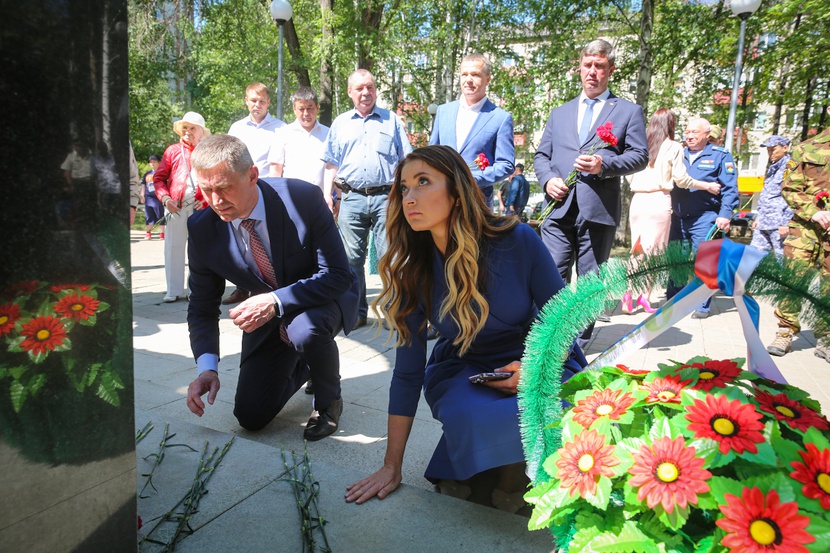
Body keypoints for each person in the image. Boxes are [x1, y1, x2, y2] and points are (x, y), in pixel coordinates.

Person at [345, 145, 585, 513]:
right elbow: (408, 373)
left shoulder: (519, 240)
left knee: (552, 406)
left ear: (456, 192)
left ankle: (510, 479)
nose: (409, 197)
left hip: (540, 356)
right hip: (464, 365)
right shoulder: (414, 267)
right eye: (404, 188)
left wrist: (535, 368)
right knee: (469, 414)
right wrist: (391, 466)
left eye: (423, 182)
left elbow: (564, 321)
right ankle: (492, 464)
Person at [184, 134, 359, 440]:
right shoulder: (202, 228)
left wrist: (274, 301)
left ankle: (329, 400)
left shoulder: (301, 199)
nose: (216, 200)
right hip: (268, 314)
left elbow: (337, 274)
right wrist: (207, 368)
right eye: (206, 189)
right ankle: (309, 365)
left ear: (252, 175)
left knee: (304, 329)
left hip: (322, 299)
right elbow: (201, 306)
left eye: (224, 187)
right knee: (251, 416)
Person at [534, 39, 648, 347]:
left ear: (611, 70)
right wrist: (548, 180)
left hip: (598, 209)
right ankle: (552, 335)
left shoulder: (627, 111)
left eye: (599, 66)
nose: (592, 72)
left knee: (590, 279)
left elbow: (640, 155)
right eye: (588, 65)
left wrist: (603, 164)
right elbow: (542, 156)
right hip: (557, 207)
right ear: (580, 67)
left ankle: (580, 340)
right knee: (551, 272)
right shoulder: (560, 113)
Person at [322, 69, 412, 328]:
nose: (365, 93)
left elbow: (407, 160)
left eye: (370, 87)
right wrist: (327, 195)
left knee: (390, 258)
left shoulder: (391, 120)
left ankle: (393, 313)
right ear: (350, 92)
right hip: (351, 198)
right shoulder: (340, 123)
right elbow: (331, 163)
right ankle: (356, 313)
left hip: (387, 198)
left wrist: (405, 194)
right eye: (359, 88)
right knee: (351, 260)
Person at [625, 109, 720, 313]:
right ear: (671, 125)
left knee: (637, 250)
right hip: (659, 199)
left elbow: (628, 174)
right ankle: (644, 297)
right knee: (654, 253)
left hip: (638, 200)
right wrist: (707, 186)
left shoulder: (641, 144)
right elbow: (682, 180)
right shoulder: (673, 147)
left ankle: (627, 295)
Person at [766, 119, 829, 360]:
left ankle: (826, 336)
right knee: (794, 279)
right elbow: (790, 187)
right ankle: (785, 330)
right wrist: (814, 212)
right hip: (805, 228)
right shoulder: (807, 148)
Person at [667, 117, 738, 319]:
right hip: (678, 217)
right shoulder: (678, 152)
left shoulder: (720, 155)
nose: (689, 136)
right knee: (676, 260)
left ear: (707, 134)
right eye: (687, 132)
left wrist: (724, 215)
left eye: (695, 132)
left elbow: (730, 189)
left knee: (704, 262)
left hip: (705, 217)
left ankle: (702, 305)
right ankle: (674, 301)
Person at [225, 82, 285, 305]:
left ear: (268, 102)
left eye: (261, 101)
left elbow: (281, 163)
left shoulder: (280, 128)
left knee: (267, 239)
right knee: (242, 238)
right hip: (241, 190)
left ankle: (272, 286)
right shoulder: (237, 129)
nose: (257, 105)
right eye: (253, 100)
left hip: (268, 190)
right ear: (246, 101)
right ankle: (243, 286)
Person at [429, 54, 514, 207]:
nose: (468, 80)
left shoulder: (500, 118)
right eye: (464, 74)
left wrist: (472, 179)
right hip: (441, 200)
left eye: (475, 74)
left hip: (477, 203)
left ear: (487, 79)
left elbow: (506, 165)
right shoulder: (443, 112)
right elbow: (431, 155)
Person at [153, 111, 210, 303]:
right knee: (173, 248)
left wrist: (206, 199)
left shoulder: (207, 152)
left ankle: (194, 289)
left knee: (198, 250)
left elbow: (215, 179)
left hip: (200, 209)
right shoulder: (173, 151)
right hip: (175, 208)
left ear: (201, 131)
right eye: (185, 127)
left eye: (192, 128)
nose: (187, 131)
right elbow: (159, 179)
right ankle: (173, 289)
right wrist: (165, 199)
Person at [268, 86, 329, 189]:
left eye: (310, 108)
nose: (306, 113)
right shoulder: (283, 134)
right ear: (294, 109)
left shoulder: (328, 134)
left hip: (322, 196)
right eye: (301, 109)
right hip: (291, 195)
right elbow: (275, 170)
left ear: (317, 107)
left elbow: (334, 168)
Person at [750, 135, 792, 257]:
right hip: (764, 222)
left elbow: (792, 196)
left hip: (779, 223)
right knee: (753, 257)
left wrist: (785, 222)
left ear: (785, 148)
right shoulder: (773, 168)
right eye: (768, 150)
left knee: (782, 259)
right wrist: (759, 217)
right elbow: (766, 195)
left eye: (773, 149)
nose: (770, 153)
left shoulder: (790, 168)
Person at [142, 154, 165, 239]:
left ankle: (162, 233)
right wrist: (142, 195)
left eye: (154, 162)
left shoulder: (162, 173)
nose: (152, 164)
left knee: (160, 215)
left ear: (159, 162)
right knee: (148, 215)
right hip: (148, 198)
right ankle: (148, 232)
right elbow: (143, 185)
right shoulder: (147, 174)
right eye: (150, 162)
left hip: (158, 198)